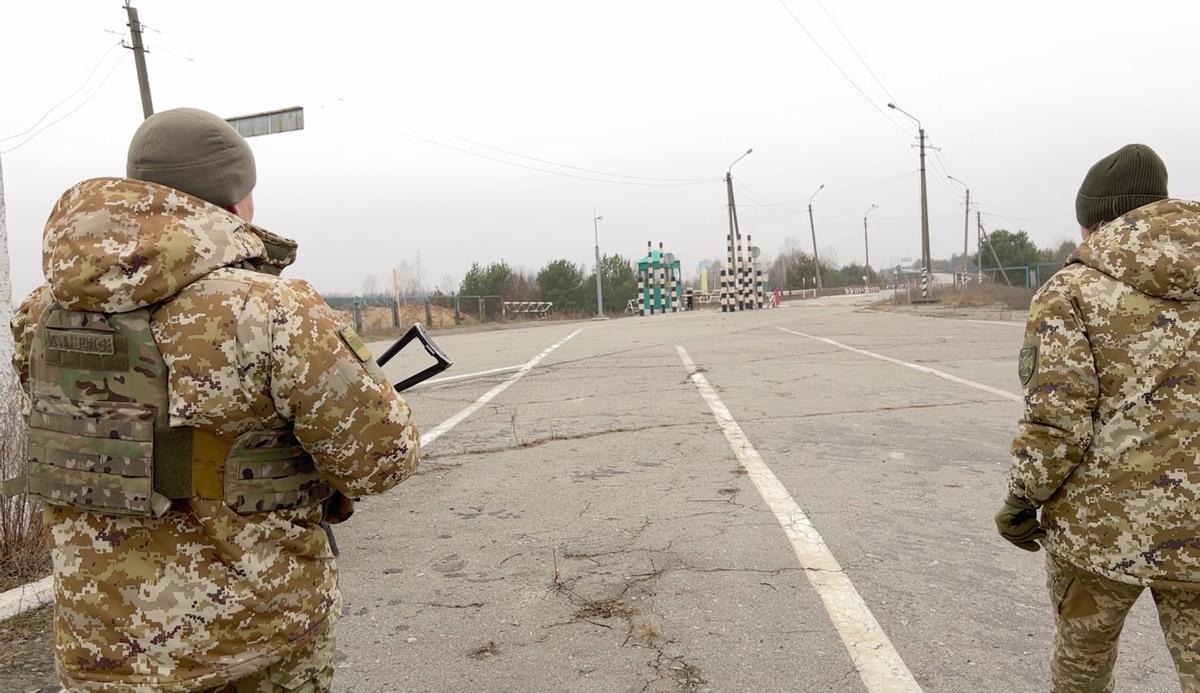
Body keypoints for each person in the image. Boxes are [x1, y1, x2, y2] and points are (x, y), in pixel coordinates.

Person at [6, 108, 420, 692]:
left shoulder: (37, 313)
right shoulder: (275, 310)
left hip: (98, 651)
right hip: (254, 644)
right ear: (236, 200)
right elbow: (381, 461)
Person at [996, 143, 1200, 692]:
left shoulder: (1071, 291)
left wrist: (1022, 502)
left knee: (1083, 663)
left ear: (1093, 222)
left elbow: (1057, 421)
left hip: (1098, 538)